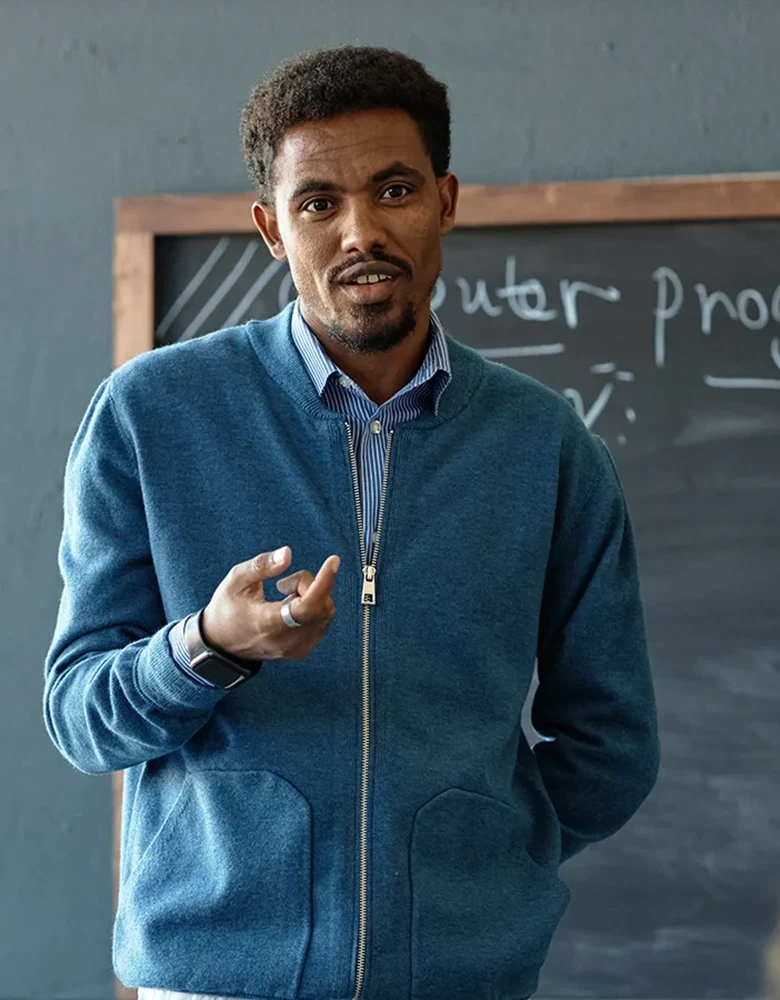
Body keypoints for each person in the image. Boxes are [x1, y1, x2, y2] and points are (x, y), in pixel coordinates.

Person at [43, 44, 660, 1000]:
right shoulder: (149, 415)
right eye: (318, 203)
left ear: (447, 201)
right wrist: (209, 644)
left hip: (461, 979)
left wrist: (480, 846)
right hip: (212, 979)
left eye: (396, 189)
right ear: (271, 228)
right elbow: (81, 716)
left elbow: (613, 746)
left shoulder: (549, 448)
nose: (360, 232)